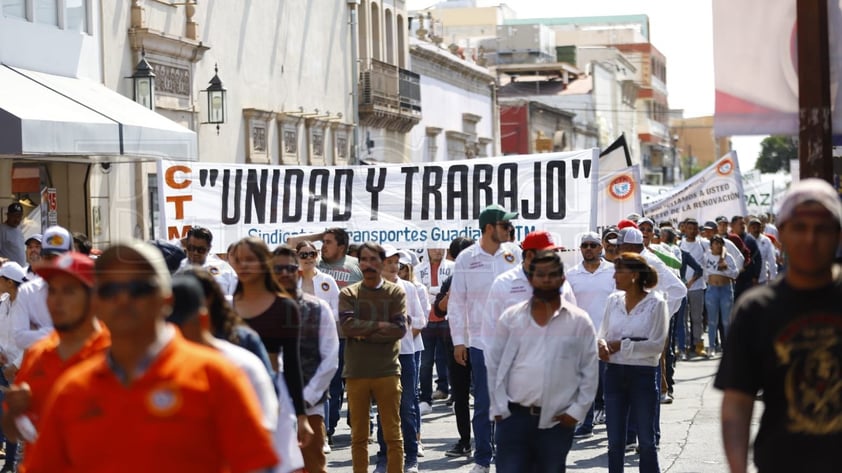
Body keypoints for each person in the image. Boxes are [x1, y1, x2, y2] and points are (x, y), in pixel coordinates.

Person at [23, 242, 279, 472]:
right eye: (110, 289)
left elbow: (255, 466)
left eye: (138, 288)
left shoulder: (216, 376)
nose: (122, 298)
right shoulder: (73, 389)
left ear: (166, 299)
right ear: (97, 303)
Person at [716, 178, 842, 473]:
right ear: (782, 233)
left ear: (837, 234)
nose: (810, 239)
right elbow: (737, 403)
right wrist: (737, 468)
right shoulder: (755, 310)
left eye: (822, 228)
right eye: (799, 227)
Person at [486, 250, 598, 473]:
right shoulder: (512, 318)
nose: (546, 279)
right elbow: (494, 363)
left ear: (562, 279)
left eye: (553, 274)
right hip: (513, 418)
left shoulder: (579, 321)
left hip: (557, 421)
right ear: (530, 279)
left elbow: (590, 371)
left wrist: (576, 412)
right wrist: (499, 408)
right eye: (540, 274)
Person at [2, 252, 110, 472]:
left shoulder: (117, 353)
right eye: (52, 290)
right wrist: (14, 413)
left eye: (69, 291)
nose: (56, 300)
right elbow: (14, 431)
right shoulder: (37, 353)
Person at [449, 204, 522, 473]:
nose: (510, 230)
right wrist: (459, 340)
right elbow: (457, 301)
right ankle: (482, 458)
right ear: (490, 228)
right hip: (481, 343)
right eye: (505, 225)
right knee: (483, 403)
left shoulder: (515, 253)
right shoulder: (466, 258)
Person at [228, 237, 313, 447]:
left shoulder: (285, 307)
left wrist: (301, 415)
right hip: (229, 398)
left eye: (250, 259)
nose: (243, 265)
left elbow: (292, 363)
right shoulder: (225, 307)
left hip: (271, 398)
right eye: (238, 260)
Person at [288, 227, 363, 447]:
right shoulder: (291, 280)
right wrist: (317, 237)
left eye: (313, 254)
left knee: (329, 385)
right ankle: (304, 429)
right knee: (301, 384)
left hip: (328, 339)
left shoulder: (327, 280)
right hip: (299, 342)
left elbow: (337, 311)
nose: (309, 258)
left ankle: (326, 432)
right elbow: (291, 240)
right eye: (304, 255)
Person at [338, 242, 407, 473]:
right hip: (356, 373)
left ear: (381, 262)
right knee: (358, 438)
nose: (368, 264)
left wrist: (363, 332)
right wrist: (380, 326)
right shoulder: (349, 293)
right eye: (363, 260)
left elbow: (399, 329)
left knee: (393, 436)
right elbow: (347, 327)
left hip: (387, 371)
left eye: (373, 259)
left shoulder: (396, 291)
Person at [598, 253, 669, 473]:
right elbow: (602, 333)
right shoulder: (613, 300)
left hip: (643, 375)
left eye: (620, 271)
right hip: (614, 374)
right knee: (615, 442)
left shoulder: (656, 303)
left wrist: (622, 345)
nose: (615, 276)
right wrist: (600, 345)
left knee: (646, 441)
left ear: (635, 275)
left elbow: (657, 345)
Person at [272, 245, 340, 473]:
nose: (284, 273)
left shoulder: (318, 308)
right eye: (278, 268)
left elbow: (330, 358)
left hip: (310, 406)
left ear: (297, 270)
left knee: (312, 466)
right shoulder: (260, 311)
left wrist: (306, 399)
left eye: (289, 268)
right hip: (272, 409)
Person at [372, 245, 425, 473]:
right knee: (385, 408)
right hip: (381, 358)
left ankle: (410, 456)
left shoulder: (409, 288)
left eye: (396, 262)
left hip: (406, 355)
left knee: (407, 407)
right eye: (389, 262)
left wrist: (403, 340)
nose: (394, 266)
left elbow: (420, 321)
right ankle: (384, 457)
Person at [565, 231, 616, 437]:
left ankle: (614, 426)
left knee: (609, 387)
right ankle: (585, 425)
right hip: (582, 338)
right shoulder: (572, 274)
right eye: (585, 245)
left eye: (592, 245)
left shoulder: (613, 271)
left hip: (608, 337)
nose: (588, 248)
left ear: (600, 248)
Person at [435, 236, 476, 459]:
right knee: (460, 396)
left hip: (481, 342)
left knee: (485, 396)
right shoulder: (450, 279)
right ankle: (464, 440)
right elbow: (439, 310)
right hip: (456, 342)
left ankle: (488, 440)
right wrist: (452, 293)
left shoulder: (488, 277)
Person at [11, 225, 73, 367]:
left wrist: (37, 331)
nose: (54, 262)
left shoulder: (84, 288)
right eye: (49, 257)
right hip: (41, 366)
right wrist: (63, 333)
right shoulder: (28, 291)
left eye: (60, 257)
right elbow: (20, 338)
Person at [415, 247, 454, 409]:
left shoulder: (453, 267)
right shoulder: (418, 269)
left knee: (451, 360)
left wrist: (432, 292)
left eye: (440, 247)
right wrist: (438, 293)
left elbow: (452, 291)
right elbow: (418, 291)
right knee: (425, 362)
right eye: (433, 247)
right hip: (426, 321)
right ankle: (425, 398)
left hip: (448, 319)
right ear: (427, 249)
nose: (437, 251)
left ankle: (455, 395)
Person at [0, 262, 26, 473]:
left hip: (21, 370)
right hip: (2, 366)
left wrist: (16, 365)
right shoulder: (3, 303)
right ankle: (9, 462)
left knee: (19, 417)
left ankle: (17, 462)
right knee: (5, 415)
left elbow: (32, 342)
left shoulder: (26, 306)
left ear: (9, 282)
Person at [701, 235, 739, 357]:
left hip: (726, 290)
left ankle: (728, 347)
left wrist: (725, 269)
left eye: (720, 243)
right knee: (712, 321)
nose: (717, 245)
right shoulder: (706, 257)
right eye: (715, 243)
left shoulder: (728, 258)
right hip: (712, 290)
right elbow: (704, 273)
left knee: (726, 321)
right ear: (711, 245)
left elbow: (735, 274)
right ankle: (712, 346)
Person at [177, 226, 238, 296]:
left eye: (201, 250)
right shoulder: (179, 266)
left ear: (209, 249)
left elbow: (235, 298)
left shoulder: (224, 269)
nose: (195, 253)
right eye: (191, 248)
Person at [679, 218, 708, 357]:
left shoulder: (703, 244)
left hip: (697, 286)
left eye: (694, 229)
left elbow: (721, 247)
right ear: (684, 229)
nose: (692, 231)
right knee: (683, 319)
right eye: (689, 228)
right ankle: (683, 345)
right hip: (682, 289)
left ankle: (698, 344)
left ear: (698, 230)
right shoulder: (680, 244)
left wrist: (691, 281)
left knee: (697, 318)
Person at [747, 218, 778, 284]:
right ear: (749, 228)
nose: (756, 230)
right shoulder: (745, 240)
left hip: (762, 279)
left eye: (758, 227)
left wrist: (773, 277)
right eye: (754, 227)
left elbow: (772, 259)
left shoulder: (766, 240)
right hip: (747, 281)